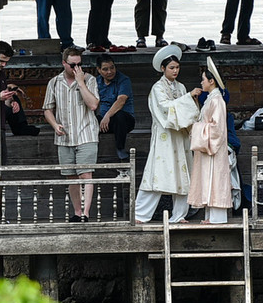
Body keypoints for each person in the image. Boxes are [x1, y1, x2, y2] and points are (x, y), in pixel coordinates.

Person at [135, 45, 200, 223]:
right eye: (171, 68)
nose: (175, 71)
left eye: (177, 67)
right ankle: (140, 214)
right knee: (157, 173)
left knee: (183, 174)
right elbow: (164, 109)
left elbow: (189, 111)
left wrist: (189, 99)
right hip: (165, 136)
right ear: (163, 69)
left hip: (180, 136)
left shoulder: (181, 87)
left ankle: (179, 215)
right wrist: (188, 98)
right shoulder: (158, 88)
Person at [42, 47, 101, 222]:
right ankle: (77, 212)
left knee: (86, 174)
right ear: (64, 63)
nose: (76, 68)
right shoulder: (54, 82)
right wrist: (54, 125)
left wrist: (80, 82)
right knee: (71, 176)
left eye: (79, 64)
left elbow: (93, 105)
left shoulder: (89, 80)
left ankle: (86, 213)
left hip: (86, 133)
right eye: (72, 64)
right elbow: (47, 109)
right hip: (65, 136)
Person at [188, 58, 233, 224]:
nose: (201, 82)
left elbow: (217, 128)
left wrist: (198, 129)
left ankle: (216, 217)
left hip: (213, 146)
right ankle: (210, 216)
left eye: (203, 80)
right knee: (209, 178)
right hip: (207, 146)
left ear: (211, 81)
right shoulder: (211, 99)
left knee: (215, 178)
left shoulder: (217, 101)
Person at [95, 54, 136, 162]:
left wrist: (108, 115)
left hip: (124, 121)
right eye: (105, 69)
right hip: (105, 122)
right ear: (99, 70)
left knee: (119, 115)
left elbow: (121, 100)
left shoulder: (123, 80)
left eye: (112, 67)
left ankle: (121, 149)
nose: (110, 71)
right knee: (90, 120)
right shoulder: (97, 81)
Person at [0, 40, 40, 137]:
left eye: (6, 62)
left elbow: (4, 92)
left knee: (14, 96)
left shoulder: (0, 73)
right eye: (1, 61)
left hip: (0, 106)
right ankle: (20, 128)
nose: (4, 65)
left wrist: (12, 101)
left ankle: (21, 127)